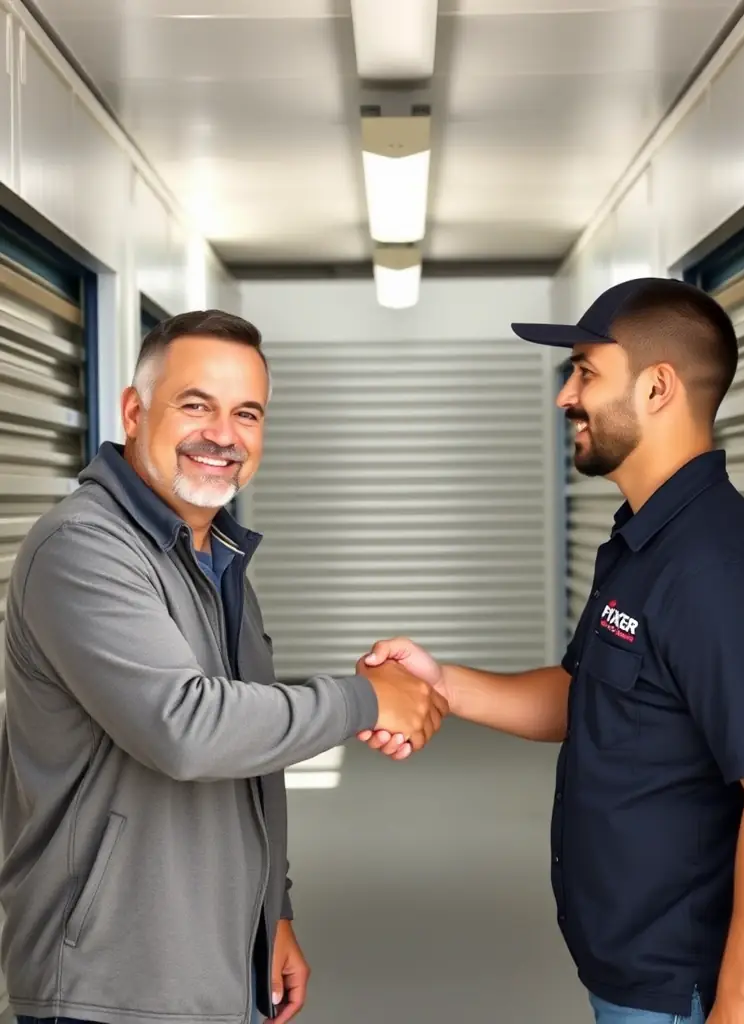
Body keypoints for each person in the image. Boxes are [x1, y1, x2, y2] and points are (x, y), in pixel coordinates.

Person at [0, 309, 448, 1024]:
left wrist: (273, 914)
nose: (223, 434)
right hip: (108, 984)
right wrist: (366, 700)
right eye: (196, 405)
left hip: (213, 964)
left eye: (247, 413)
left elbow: (250, 749)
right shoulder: (84, 549)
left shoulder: (214, 554)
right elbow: (187, 728)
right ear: (134, 410)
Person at [359, 278, 744, 1024]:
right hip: (631, 969)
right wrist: (442, 681)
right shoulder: (644, 540)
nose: (564, 397)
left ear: (657, 388)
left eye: (585, 371)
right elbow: (589, 698)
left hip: (688, 987)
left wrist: (740, 999)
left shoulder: (713, 567)